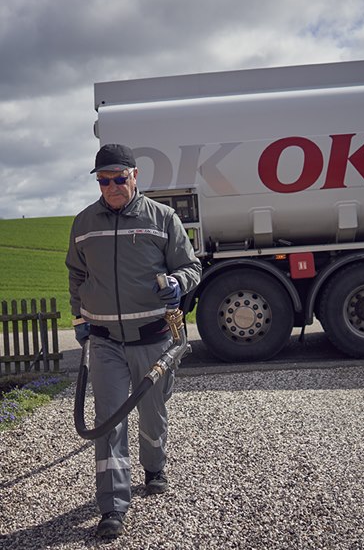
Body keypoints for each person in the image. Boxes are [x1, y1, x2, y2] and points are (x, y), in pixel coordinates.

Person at [66, 144, 201, 538]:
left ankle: (154, 465)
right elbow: (75, 275)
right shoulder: (84, 223)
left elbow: (191, 266)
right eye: (104, 181)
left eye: (118, 179)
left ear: (135, 176)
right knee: (109, 421)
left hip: (153, 339)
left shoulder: (162, 219)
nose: (111, 187)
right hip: (105, 341)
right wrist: (80, 318)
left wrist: (178, 283)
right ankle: (113, 507)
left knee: (153, 412)